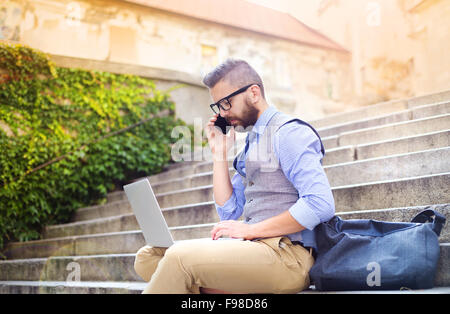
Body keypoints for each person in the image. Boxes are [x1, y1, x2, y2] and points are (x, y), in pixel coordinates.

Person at [133, 59, 335, 294]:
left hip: (287, 258)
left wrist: (251, 230)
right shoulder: (251, 144)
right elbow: (229, 211)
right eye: (217, 106)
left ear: (254, 93)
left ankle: (199, 281)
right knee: (148, 257)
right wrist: (219, 153)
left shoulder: (289, 133)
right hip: (251, 251)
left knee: (178, 259)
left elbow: (320, 203)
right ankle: (211, 285)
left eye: (226, 103)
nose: (222, 113)